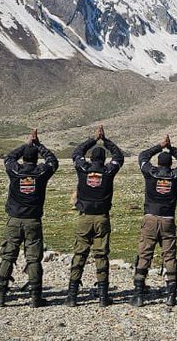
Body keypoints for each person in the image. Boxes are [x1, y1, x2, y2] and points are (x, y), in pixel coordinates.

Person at [0, 129, 58, 308]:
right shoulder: (41, 173)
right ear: (36, 159)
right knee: (33, 258)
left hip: (14, 219)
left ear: (23, 159)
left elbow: (9, 158)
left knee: (8, 256)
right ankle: (35, 297)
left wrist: (26, 144)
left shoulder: (15, 171)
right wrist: (39, 145)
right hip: (33, 220)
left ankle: (1, 295)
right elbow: (53, 162)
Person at [67, 125, 125, 307]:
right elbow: (119, 157)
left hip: (84, 217)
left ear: (91, 158)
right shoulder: (108, 171)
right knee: (101, 255)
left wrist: (93, 139)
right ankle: (102, 297)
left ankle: (72, 296)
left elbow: (76, 153)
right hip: (102, 218)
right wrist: (105, 140)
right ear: (103, 159)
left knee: (79, 254)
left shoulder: (83, 169)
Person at [131, 135, 177, 308]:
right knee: (169, 255)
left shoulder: (151, 172)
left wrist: (160, 146)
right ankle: (171, 295)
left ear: (158, 163)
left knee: (144, 254)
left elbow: (142, 157)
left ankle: (139, 294)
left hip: (150, 217)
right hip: (168, 220)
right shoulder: (176, 175)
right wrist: (172, 149)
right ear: (170, 164)